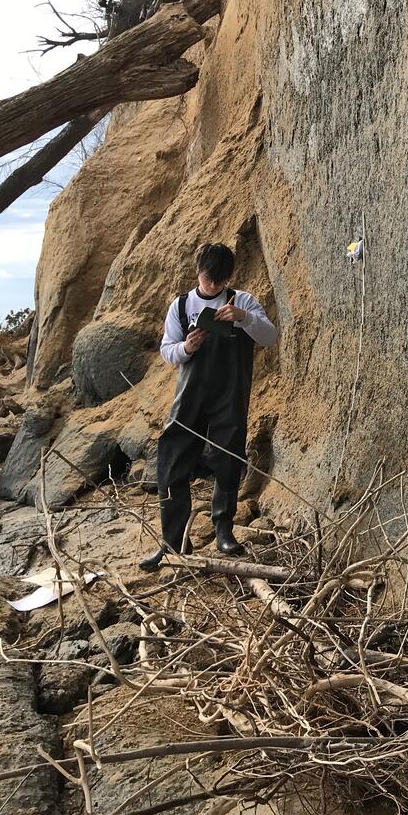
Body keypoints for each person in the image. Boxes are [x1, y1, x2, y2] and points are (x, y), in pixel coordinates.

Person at [139, 243, 278, 571]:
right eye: (207, 278)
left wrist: (243, 318)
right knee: (172, 460)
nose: (213, 285)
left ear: (229, 277)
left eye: (219, 280)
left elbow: (269, 336)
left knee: (228, 460)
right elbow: (167, 350)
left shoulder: (241, 301)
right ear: (197, 271)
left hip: (230, 396)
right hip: (189, 396)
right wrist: (186, 347)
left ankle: (224, 532)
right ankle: (173, 542)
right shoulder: (182, 305)